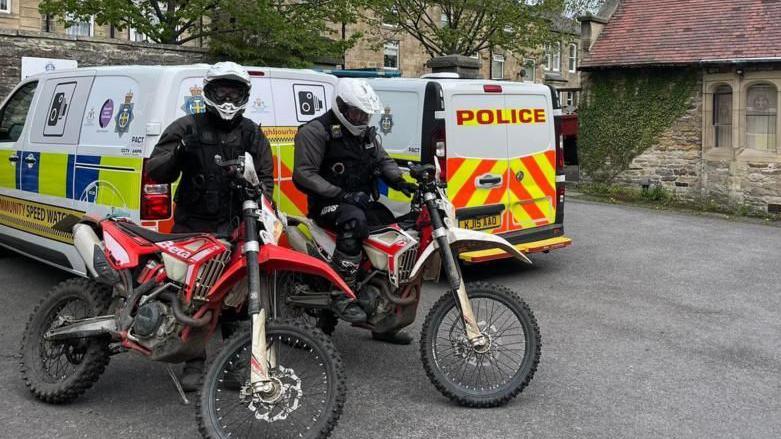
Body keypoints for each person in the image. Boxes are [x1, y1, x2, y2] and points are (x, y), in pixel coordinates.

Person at [146, 61, 274, 391]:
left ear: (245, 95)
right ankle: (194, 359)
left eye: (235, 92)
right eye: (221, 91)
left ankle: (234, 364)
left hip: (234, 226)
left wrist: (260, 215)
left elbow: (267, 181)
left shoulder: (252, 133)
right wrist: (179, 153)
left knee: (236, 298)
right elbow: (157, 170)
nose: (228, 98)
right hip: (193, 225)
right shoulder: (186, 126)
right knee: (190, 294)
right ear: (208, 93)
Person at [293, 78, 416, 344]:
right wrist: (342, 194)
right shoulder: (316, 131)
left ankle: (382, 319)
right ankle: (341, 293)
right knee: (354, 221)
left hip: (359, 201)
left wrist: (400, 181)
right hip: (328, 204)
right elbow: (304, 175)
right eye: (357, 113)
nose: (361, 119)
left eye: (366, 114)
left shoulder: (366, 133)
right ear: (341, 106)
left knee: (390, 228)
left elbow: (383, 160)